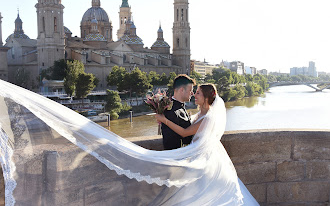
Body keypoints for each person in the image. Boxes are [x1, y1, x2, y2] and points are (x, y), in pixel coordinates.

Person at [0, 80, 259, 205]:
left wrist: (160, 117)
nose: (195, 94)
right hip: (202, 156)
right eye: (193, 91)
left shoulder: (207, 115)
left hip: (205, 158)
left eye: (198, 92)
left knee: (205, 193)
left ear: (206, 98)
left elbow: (185, 132)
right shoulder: (202, 112)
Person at [162, 74, 196, 150]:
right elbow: (170, 143)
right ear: (182, 90)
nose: (192, 93)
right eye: (190, 90)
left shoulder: (178, 106)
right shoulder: (170, 110)